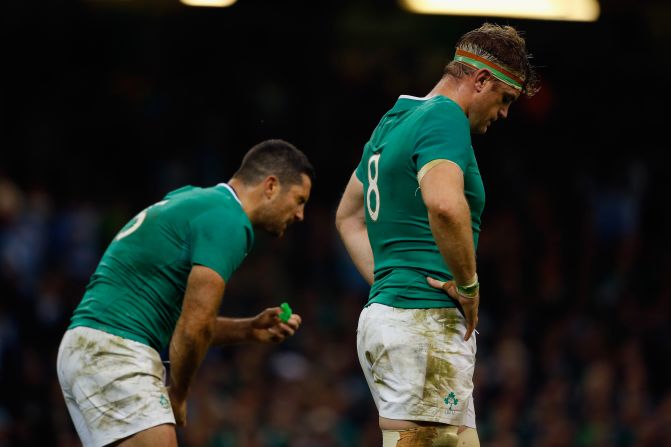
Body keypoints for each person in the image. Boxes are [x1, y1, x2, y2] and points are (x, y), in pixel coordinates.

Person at [335, 23, 539, 447]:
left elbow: (348, 216)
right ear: (480, 80)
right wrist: (468, 285)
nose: (503, 114)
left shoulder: (396, 119)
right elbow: (445, 205)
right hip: (423, 324)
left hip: (395, 319)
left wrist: (390, 283)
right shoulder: (445, 116)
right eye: (504, 100)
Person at [57, 139, 314, 447]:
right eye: (299, 199)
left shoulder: (194, 200)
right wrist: (178, 394)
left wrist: (248, 328)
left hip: (90, 347)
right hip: (115, 351)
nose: (300, 214)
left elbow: (181, 321)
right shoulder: (229, 219)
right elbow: (194, 327)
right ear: (270, 186)